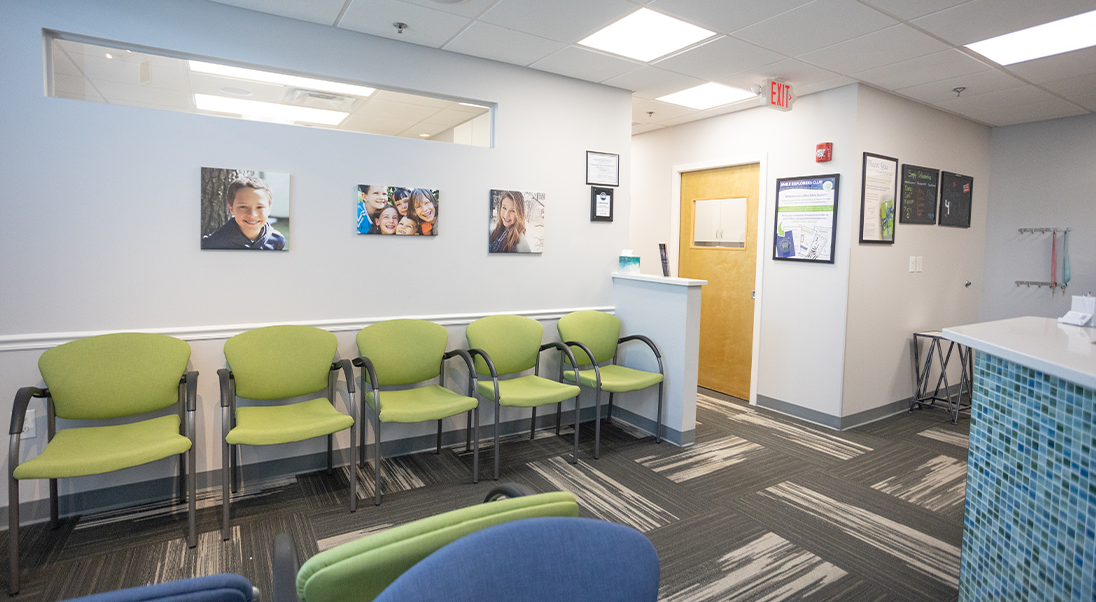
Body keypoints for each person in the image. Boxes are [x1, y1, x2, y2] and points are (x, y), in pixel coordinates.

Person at [202, 176, 285, 250]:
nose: (252, 214)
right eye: (243, 207)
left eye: (260, 207)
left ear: (269, 209)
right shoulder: (213, 244)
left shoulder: (278, 241)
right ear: (231, 209)